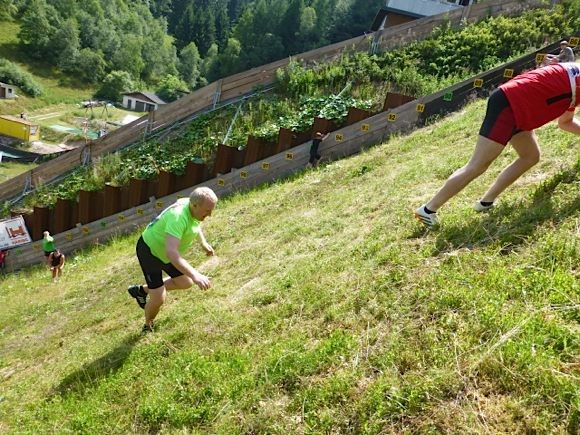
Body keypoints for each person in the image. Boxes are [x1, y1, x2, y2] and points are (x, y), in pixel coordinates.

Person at [415, 62, 580, 228]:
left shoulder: (574, 77)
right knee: (477, 165)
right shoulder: (575, 80)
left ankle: (485, 202)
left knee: (530, 157)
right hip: (510, 105)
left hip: (518, 108)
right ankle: (428, 210)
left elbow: (565, 122)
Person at [128, 187, 218, 334]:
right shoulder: (178, 217)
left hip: (168, 252)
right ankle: (147, 326)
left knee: (185, 282)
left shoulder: (191, 205)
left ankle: (141, 290)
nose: (210, 214)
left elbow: (196, 223)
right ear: (194, 205)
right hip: (150, 252)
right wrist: (196, 275)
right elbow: (172, 253)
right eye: (207, 211)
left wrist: (203, 242)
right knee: (158, 298)